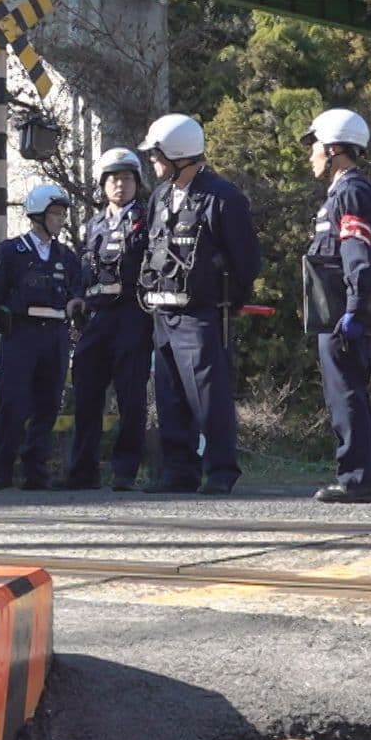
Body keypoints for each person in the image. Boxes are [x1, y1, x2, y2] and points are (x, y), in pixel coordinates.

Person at [137, 113, 261, 495]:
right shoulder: (159, 197)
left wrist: (227, 303)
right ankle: (179, 471)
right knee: (170, 394)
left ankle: (221, 471)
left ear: (177, 155)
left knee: (209, 395)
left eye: (157, 155)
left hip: (202, 314)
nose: (152, 162)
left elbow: (247, 261)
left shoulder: (223, 197)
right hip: (163, 312)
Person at [302, 108, 371, 504]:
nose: (311, 156)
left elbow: (355, 252)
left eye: (315, 147)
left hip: (341, 312)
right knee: (351, 390)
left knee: (345, 393)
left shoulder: (349, 191)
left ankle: (355, 479)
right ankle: (370, 478)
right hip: (337, 309)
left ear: (333, 149)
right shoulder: (341, 191)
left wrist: (353, 307)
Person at [0, 184, 85, 491]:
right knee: (13, 403)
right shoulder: (11, 251)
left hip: (56, 336)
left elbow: (79, 287)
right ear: (38, 215)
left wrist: (78, 303)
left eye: (63, 214)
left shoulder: (66, 255)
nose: (60, 219)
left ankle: (35, 471)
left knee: (48, 404)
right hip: (21, 334)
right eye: (55, 213)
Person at [62, 148, 154, 491]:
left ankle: (125, 470)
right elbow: (82, 268)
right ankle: (81, 470)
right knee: (86, 394)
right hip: (96, 315)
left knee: (131, 396)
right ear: (103, 184)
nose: (120, 184)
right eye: (114, 178)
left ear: (137, 183)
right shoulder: (92, 225)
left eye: (128, 178)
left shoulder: (147, 220)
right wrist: (76, 296)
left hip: (132, 313)